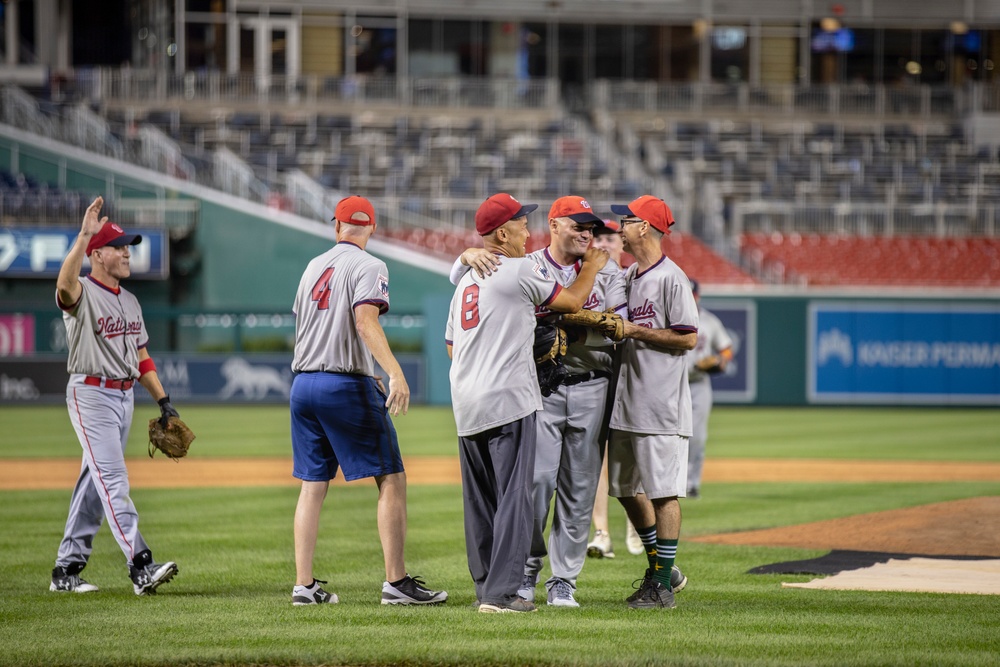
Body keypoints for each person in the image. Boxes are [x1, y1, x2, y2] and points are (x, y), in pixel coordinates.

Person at [446, 193, 608, 613]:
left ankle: (486, 589)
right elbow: (571, 303)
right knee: (516, 500)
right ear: (502, 233)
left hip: (466, 403)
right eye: (521, 223)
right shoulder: (517, 269)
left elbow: (450, 346)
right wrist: (590, 266)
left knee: (480, 503)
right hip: (508, 400)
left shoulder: (466, 279)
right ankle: (502, 596)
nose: (526, 231)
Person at [289, 195, 447, 607]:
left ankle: (303, 587)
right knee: (391, 477)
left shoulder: (312, 266)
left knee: (312, 485)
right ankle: (396, 583)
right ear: (372, 228)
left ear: (336, 225)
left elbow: (315, 323)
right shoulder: (370, 265)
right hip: (342, 387)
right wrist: (394, 371)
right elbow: (363, 319)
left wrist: (361, 365)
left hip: (303, 384)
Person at [52, 196, 179, 596]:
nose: (127, 253)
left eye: (128, 246)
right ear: (98, 254)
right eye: (120, 247)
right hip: (91, 394)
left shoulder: (130, 300)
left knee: (95, 481)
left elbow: (141, 358)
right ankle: (140, 566)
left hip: (124, 398)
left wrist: (163, 401)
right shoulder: (83, 293)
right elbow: (63, 287)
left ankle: (66, 571)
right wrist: (83, 236)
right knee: (113, 479)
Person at [607, 195, 699, 609]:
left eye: (625, 220)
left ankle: (661, 585)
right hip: (627, 401)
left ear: (645, 227)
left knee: (663, 493)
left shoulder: (671, 278)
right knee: (626, 489)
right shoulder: (629, 276)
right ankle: (662, 570)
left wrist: (633, 331)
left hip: (660, 404)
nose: (619, 226)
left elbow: (688, 337)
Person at [686, 279, 734, 499]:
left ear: (699, 296)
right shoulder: (669, 317)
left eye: (695, 294)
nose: (692, 298)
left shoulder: (708, 321)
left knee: (697, 436)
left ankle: (692, 483)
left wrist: (719, 360)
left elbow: (726, 349)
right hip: (672, 384)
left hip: (698, 383)